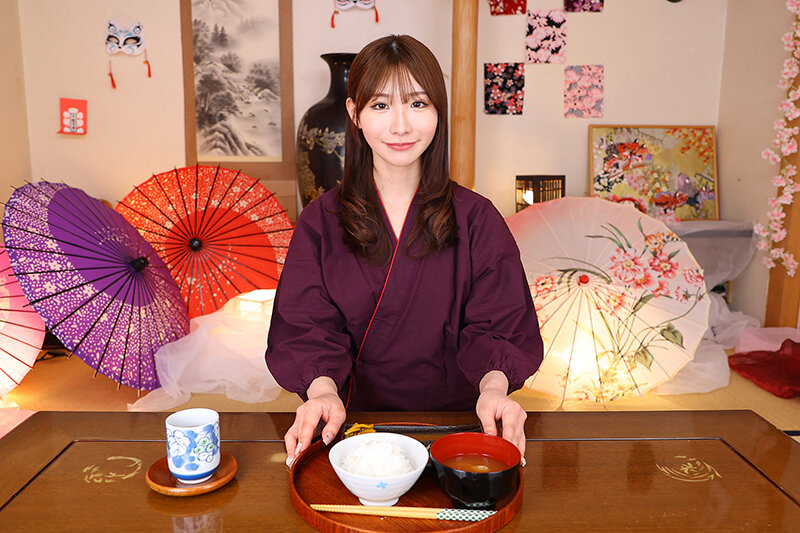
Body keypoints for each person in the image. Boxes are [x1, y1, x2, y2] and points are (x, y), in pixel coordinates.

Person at [266, 34, 543, 467]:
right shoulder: (320, 222)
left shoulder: (478, 219)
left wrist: (494, 391)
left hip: (459, 428)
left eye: (417, 103)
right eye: (380, 105)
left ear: (438, 111)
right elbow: (307, 327)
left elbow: (498, 325)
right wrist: (321, 392)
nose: (400, 126)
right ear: (354, 114)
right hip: (353, 431)